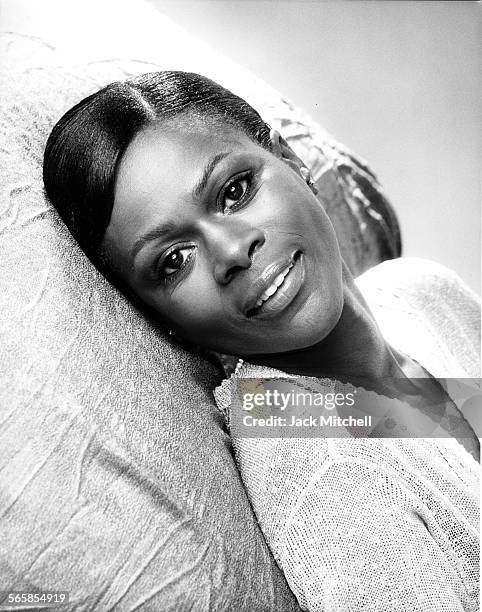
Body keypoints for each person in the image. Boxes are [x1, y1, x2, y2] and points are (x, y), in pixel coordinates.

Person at [43, 71, 480, 611]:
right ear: (163, 321)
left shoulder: (426, 296)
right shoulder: (321, 475)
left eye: (234, 190)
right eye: (173, 262)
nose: (231, 251)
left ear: (293, 162)